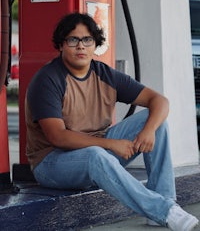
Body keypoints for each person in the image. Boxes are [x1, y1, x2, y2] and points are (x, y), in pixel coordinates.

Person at [25, 12, 199, 231]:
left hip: (97, 151)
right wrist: (110, 144)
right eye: (73, 40)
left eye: (87, 40)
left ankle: (164, 200)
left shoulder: (104, 74)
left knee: (155, 121)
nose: (81, 46)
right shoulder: (48, 79)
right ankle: (165, 211)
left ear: (95, 45)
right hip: (52, 163)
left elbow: (160, 101)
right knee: (95, 154)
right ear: (61, 45)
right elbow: (57, 136)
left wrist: (148, 131)